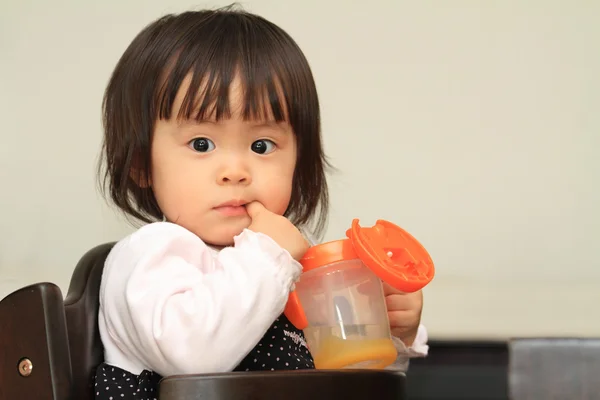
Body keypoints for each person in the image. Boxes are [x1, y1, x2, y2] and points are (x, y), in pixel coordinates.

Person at [94, 5, 428, 400]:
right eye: (201, 144)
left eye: (261, 145)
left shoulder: (285, 267)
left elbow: (339, 376)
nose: (236, 170)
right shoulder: (152, 255)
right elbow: (191, 358)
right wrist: (268, 254)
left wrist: (389, 335)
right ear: (140, 164)